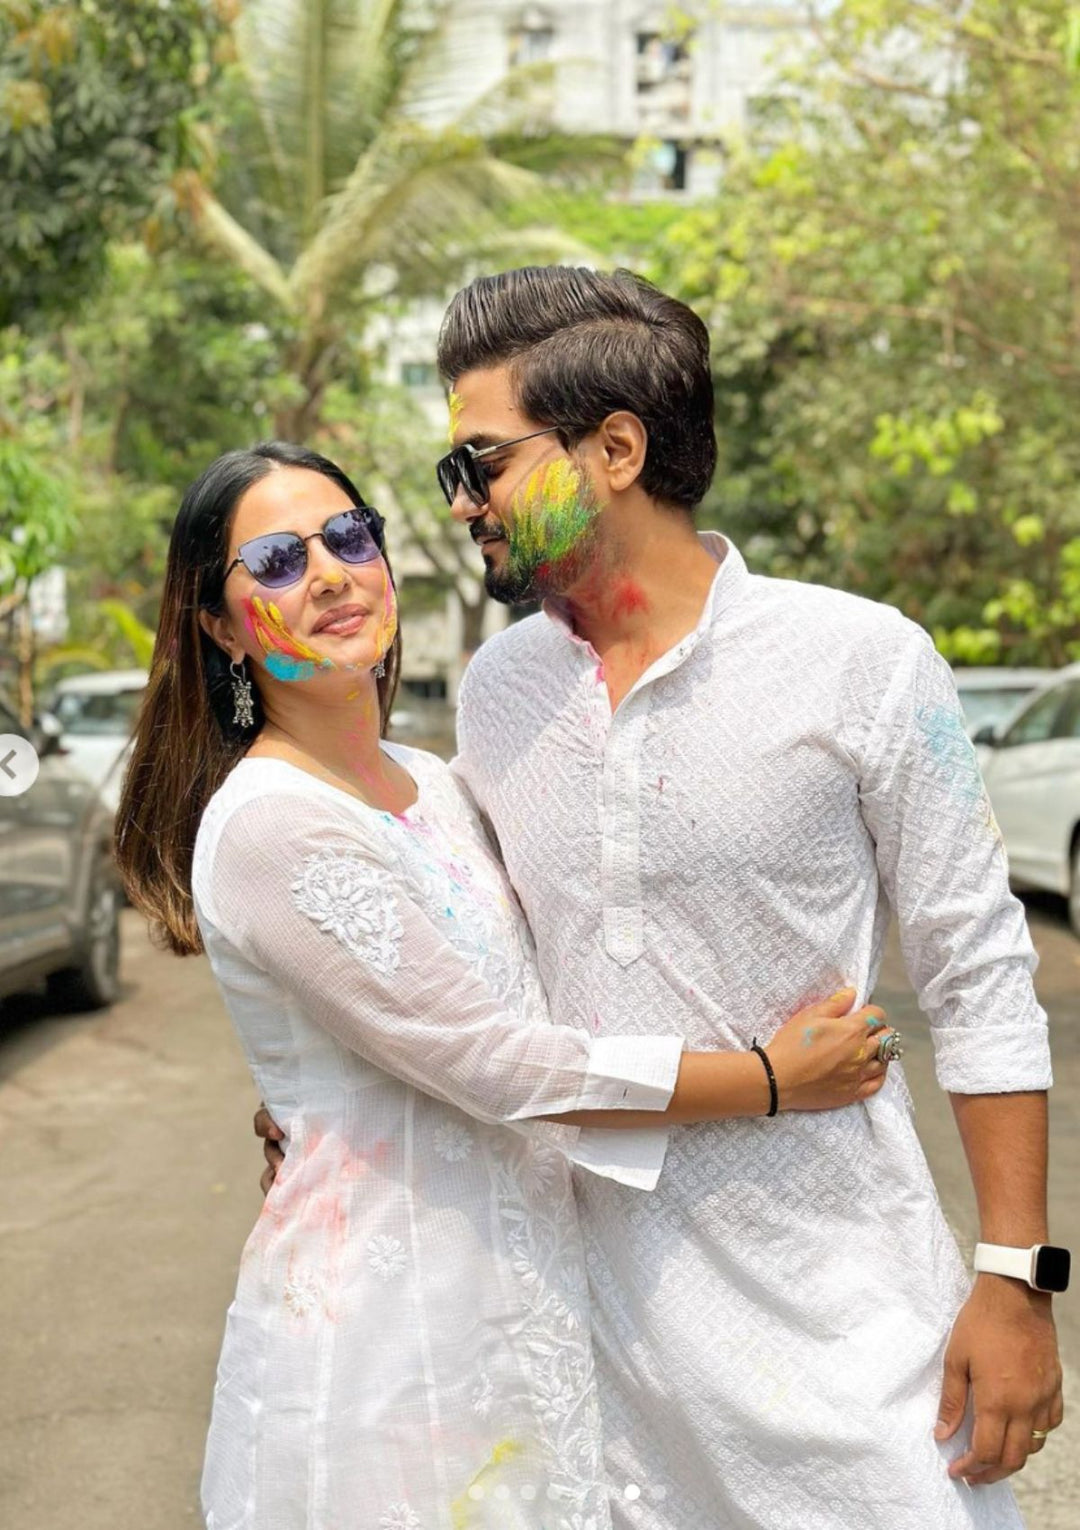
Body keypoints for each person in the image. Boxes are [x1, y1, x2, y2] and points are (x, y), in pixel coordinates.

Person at [263, 267, 1066, 1528]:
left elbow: (979, 974)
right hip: (600, 1332)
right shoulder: (502, 691)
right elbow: (465, 958)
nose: (463, 501)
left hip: (850, 1317)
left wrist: (1015, 1276)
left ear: (617, 450)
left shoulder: (863, 660)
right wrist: (330, 1101)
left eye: (482, 462)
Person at [115, 440, 897, 1530]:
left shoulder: (436, 783)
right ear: (219, 625)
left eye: (349, 537)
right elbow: (493, 1061)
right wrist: (765, 1080)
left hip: (528, 1295)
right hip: (393, 1340)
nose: (331, 574)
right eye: (280, 561)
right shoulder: (270, 824)